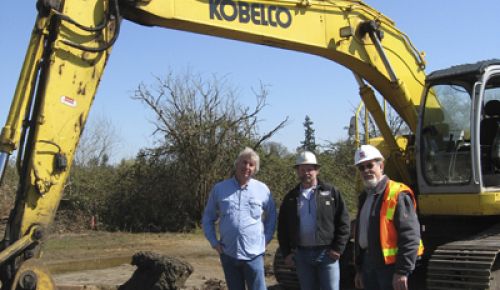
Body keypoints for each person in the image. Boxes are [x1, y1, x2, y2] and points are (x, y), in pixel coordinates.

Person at [202, 147, 276, 290]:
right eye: (244, 162)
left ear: (255, 169)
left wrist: (266, 239)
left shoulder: (262, 189)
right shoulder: (219, 188)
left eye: (251, 164)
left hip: (254, 254)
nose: (246, 167)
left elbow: (272, 216)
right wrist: (213, 242)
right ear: (237, 164)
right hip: (228, 253)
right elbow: (208, 217)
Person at [353, 145, 424, 290]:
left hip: (390, 268)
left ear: (381, 166)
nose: (366, 170)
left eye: (370, 165)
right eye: (361, 167)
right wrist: (359, 270)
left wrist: (402, 271)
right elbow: (361, 235)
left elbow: (410, 236)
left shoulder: (398, 193)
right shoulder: (364, 197)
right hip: (368, 265)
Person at [277, 151, 350, 290]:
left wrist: (338, 248)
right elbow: (282, 228)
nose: (306, 172)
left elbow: (344, 222)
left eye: (310, 169)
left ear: (317, 170)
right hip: (302, 255)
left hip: (327, 254)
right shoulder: (291, 197)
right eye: (302, 169)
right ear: (297, 171)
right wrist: (287, 253)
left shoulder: (331, 192)